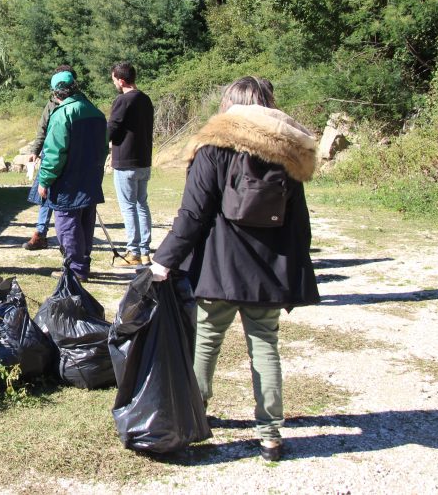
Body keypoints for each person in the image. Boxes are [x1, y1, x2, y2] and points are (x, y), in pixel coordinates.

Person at [149, 77, 319, 462]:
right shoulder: (288, 151)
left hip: (219, 268)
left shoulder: (213, 146)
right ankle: (271, 435)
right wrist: (296, 271)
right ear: (267, 104)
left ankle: (195, 416)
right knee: (265, 345)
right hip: (268, 272)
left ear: (230, 104)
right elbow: (299, 224)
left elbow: (193, 214)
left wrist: (165, 258)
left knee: (207, 342)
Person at [36, 70, 107, 281]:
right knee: (86, 221)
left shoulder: (62, 114)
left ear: (56, 93)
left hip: (68, 180)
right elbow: (103, 148)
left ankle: (75, 270)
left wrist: (45, 180)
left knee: (67, 224)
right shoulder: (96, 112)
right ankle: (82, 265)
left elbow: (54, 153)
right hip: (90, 177)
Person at [24, 65, 76, 251]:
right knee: (44, 193)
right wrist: (35, 150)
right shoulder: (52, 103)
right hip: (51, 154)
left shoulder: (77, 105)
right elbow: (42, 128)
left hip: (69, 158)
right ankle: (40, 233)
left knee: (66, 199)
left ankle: (69, 242)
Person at [107, 62, 154, 265]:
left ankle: (133, 252)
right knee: (142, 204)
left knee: (128, 207)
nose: (114, 82)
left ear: (121, 80)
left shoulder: (123, 100)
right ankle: (144, 251)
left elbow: (112, 129)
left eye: (114, 79)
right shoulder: (146, 99)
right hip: (144, 160)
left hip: (126, 161)